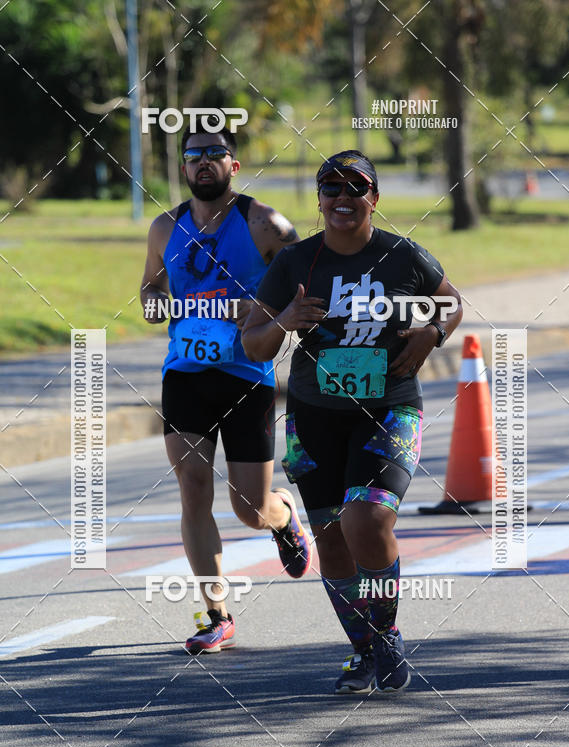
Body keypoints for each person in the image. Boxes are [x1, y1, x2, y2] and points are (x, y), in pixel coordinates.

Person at [242, 150, 462, 693]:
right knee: (332, 538)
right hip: (315, 415)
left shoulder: (403, 256)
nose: (343, 199)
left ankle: (386, 635)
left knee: (366, 522)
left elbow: (451, 304)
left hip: (388, 407)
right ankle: (363, 651)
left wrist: (434, 332)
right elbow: (252, 343)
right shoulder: (294, 262)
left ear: (374, 198)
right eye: (331, 189)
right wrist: (285, 322)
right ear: (319, 201)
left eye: (355, 188)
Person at [140, 124, 312, 654]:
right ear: (184, 168)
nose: (205, 163)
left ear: (234, 166)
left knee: (249, 509)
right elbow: (150, 286)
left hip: (246, 377)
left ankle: (282, 514)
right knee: (193, 488)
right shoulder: (165, 227)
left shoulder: (264, 223)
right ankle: (216, 613)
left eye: (216, 155)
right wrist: (155, 305)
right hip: (184, 375)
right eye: (195, 156)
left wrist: (264, 311)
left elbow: (309, 280)